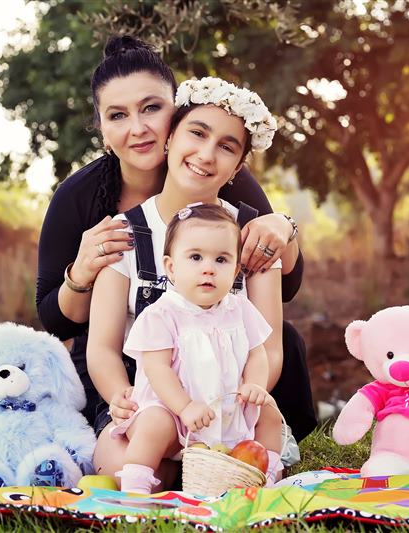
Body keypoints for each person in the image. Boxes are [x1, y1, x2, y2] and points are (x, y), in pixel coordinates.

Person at [35, 36, 314, 443]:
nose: (138, 128)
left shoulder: (221, 175)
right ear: (102, 130)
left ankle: (276, 435)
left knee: (278, 335)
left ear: (175, 110)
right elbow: (56, 321)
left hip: (223, 364)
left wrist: (283, 227)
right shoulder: (82, 199)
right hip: (135, 363)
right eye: (117, 115)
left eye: (151, 108)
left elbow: (280, 285)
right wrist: (81, 272)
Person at [88, 76, 292, 489]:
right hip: (151, 403)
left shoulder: (250, 235)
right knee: (125, 467)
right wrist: (119, 397)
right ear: (169, 139)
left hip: (228, 409)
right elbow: (102, 347)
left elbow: (269, 348)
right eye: (197, 133)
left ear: (238, 167)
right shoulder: (127, 233)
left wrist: (244, 395)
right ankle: (163, 473)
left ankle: (237, 470)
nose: (206, 154)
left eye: (226, 147)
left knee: (241, 460)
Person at [111, 204, 284, 493]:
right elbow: (157, 369)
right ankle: (135, 490)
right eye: (195, 257)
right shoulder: (162, 314)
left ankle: (266, 477)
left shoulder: (240, 308)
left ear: (236, 270)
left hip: (227, 412)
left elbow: (257, 353)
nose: (208, 268)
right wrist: (184, 407)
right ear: (171, 267)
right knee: (154, 423)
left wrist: (254, 385)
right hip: (174, 416)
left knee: (268, 411)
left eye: (221, 259)